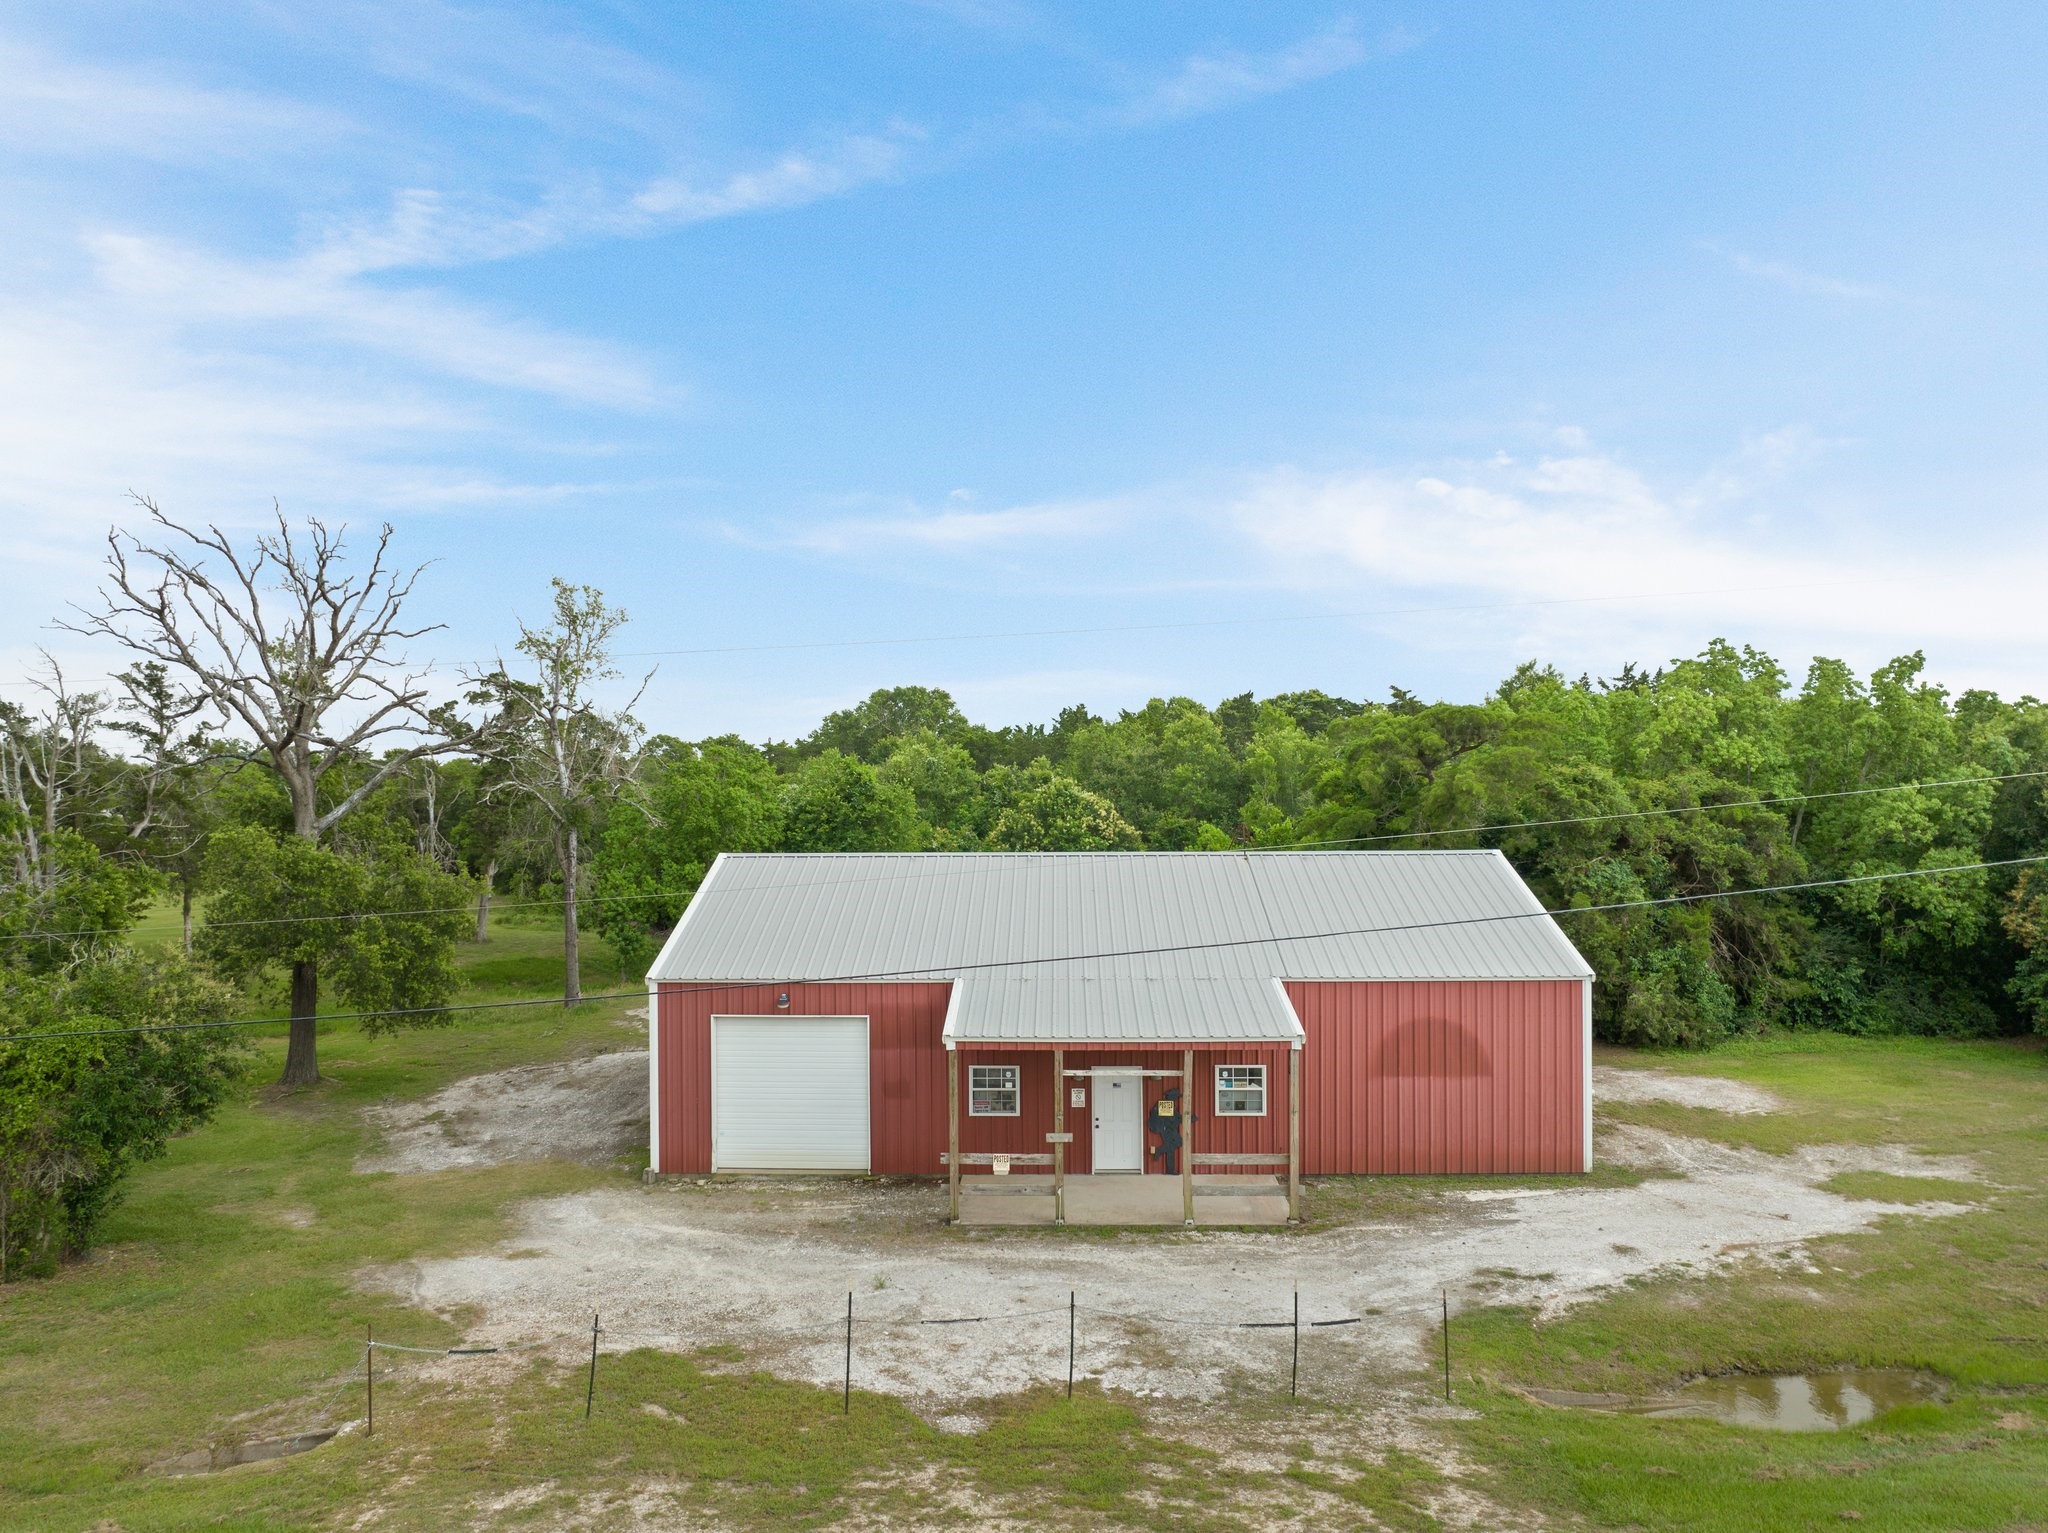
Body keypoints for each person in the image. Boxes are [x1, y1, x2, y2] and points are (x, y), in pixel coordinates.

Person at [1148, 1087, 1196, 1174]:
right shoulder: (1167, 1105)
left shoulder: (1167, 1104)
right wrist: (1190, 1119)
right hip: (1166, 1129)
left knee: (1171, 1148)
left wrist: (1189, 1118)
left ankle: (1170, 1169)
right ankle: (1159, 1151)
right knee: (1179, 1142)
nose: (1177, 1099)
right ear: (1173, 1097)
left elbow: (1175, 1117)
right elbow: (1174, 1118)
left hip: (1168, 1128)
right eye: (1176, 1097)